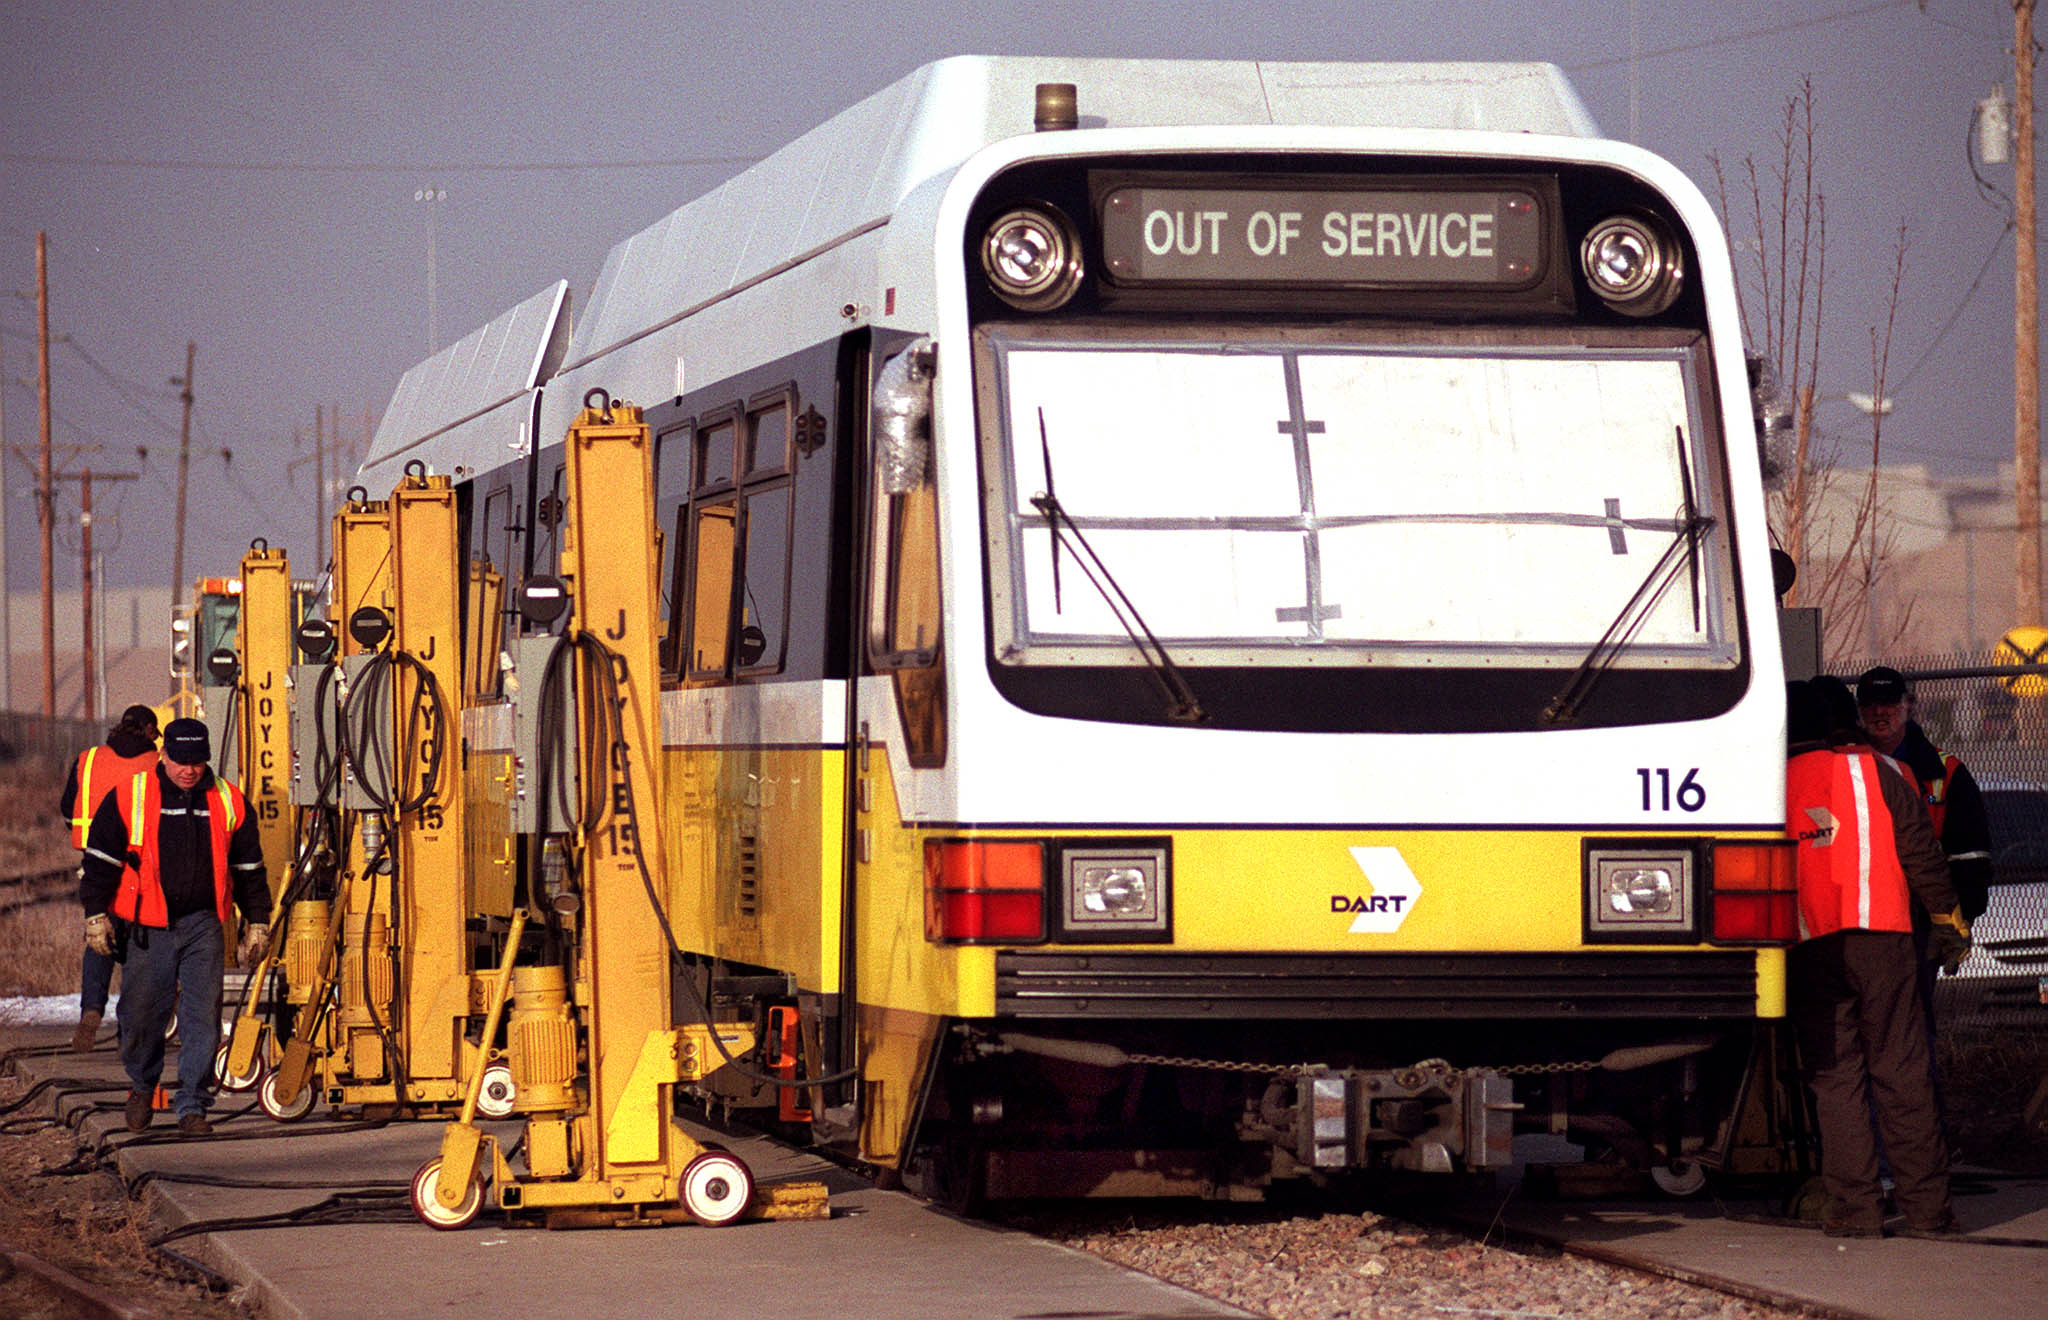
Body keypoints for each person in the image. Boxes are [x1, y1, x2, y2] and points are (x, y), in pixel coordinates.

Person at [1785, 679, 1967, 1237]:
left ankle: (1855, 1211)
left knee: (1836, 1078)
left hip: (1811, 945)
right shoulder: (1885, 774)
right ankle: (1928, 1213)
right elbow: (1922, 852)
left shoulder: (1776, 781)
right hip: (1886, 940)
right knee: (1902, 1073)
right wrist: (1947, 921)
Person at [80, 718, 271, 1136]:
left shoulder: (229, 800)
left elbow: (249, 869)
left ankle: (192, 1106)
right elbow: (99, 862)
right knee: (142, 1015)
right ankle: (143, 1086)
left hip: (204, 924)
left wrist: (257, 920)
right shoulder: (130, 796)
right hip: (148, 925)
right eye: (181, 760)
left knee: (202, 1016)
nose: (189, 769)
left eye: (197, 762)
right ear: (163, 755)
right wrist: (95, 914)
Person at [57, 704, 160, 1052]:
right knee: (137, 946)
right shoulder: (157, 765)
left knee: (98, 936)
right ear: (149, 731)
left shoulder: (88, 760)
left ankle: (91, 1010)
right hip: (141, 867)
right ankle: (127, 1031)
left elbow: (68, 810)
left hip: (95, 863)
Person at [1855, 666, 1993, 922]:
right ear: (1859, 710)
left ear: (1907, 706)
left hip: (1924, 914)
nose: (1878, 712)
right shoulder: (1844, 766)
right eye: (1869, 704)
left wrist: (1961, 917)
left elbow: (1969, 854)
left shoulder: (1948, 772)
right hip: (1862, 911)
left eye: (1889, 703)